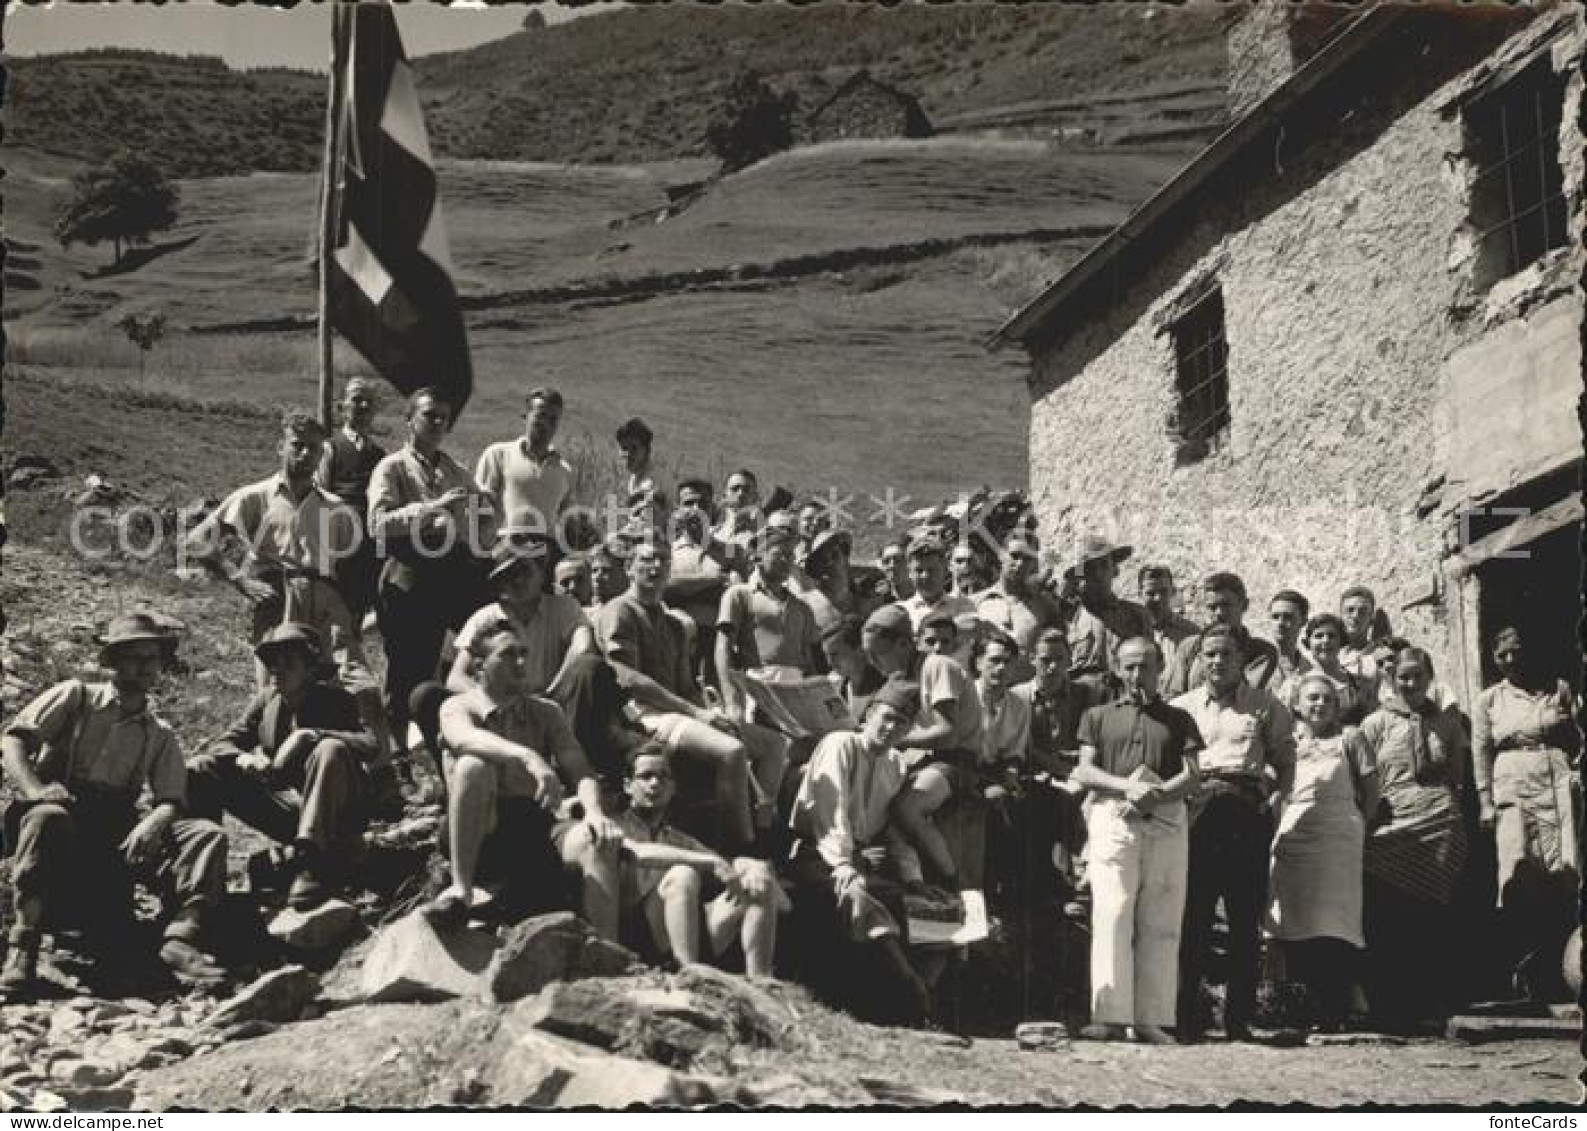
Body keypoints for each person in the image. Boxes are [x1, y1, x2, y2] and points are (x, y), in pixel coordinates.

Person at [0, 614, 228, 994]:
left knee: (203, 835)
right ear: (114, 661)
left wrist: (155, 820)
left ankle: (180, 939)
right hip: (62, 813)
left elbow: (171, 798)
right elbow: (13, 741)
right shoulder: (77, 696)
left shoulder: (160, 734)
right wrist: (35, 789)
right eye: (134, 658)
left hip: (114, 830)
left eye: (152, 658)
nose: (145, 668)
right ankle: (22, 950)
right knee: (47, 817)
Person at [183, 411, 396, 788]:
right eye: (297, 445)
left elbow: (358, 567)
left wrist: (351, 613)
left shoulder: (335, 508)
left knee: (359, 684)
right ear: (280, 446)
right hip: (278, 597)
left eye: (314, 449)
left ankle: (381, 778)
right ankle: (277, 778)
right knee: (277, 690)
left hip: (326, 598)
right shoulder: (254, 498)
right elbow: (198, 540)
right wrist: (238, 578)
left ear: (322, 456)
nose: (304, 454)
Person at [426, 622, 623, 932]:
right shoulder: (456, 706)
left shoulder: (547, 711)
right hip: (480, 826)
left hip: (531, 825)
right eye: (507, 655)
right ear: (480, 666)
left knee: (596, 841)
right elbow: (463, 739)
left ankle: (611, 954)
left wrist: (595, 814)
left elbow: (580, 769)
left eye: (523, 653)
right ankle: (461, 889)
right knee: (473, 766)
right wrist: (527, 756)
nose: (521, 662)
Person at [186, 623, 379, 910]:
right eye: (273, 663)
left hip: (337, 814)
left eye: (288, 663)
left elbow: (370, 745)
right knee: (203, 767)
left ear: (311, 670)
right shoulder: (267, 700)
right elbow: (222, 743)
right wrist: (244, 757)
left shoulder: (338, 700)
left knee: (330, 748)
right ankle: (204, 882)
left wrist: (313, 735)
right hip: (287, 809)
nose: (277, 670)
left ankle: (311, 862)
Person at [599, 540, 774, 852]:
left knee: (774, 744)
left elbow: (686, 685)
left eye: (664, 561)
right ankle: (744, 848)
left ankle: (766, 829)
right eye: (647, 560)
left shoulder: (673, 624)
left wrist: (711, 714)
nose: (656, 567)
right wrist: (696, 714)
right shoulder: (620, 610)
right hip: (642, 713)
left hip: (676, 713)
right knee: (732, 751)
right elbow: (628, 678)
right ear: (629, 568)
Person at [1073, 637, 1203, 1044]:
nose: (1137, 675)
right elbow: (1086, 771)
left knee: (1161, 918)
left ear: (1161, 666)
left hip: (1165, 817)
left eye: (1145, 666)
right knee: (1112, 912)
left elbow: (1193, 774)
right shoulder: (1097, 716)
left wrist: (1157, 794)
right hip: (1114, 816)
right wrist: (1126, 789)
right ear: (1116, 666)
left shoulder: (1180, 718)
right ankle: (1110, 1016)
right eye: (1129, 666)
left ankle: (1151, 1019)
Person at [1170, 625, 1296, 1042]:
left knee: (1245, 921)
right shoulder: (1182, 707)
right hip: (1199, 812)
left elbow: (1285, 762)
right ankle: (1188, 1015)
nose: (1217, 662)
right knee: (1194, 919)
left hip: (1245, 812)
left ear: (1242, 659)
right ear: (1199, 659)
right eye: (1210, 654)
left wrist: (1275, 801)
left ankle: (1238, 1020)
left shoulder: (1265, 707)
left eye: (1226, 654)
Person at [788, 679, 932, 1023]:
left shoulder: (895, 764)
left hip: (860, 856)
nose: (891, 727)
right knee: (857, 894)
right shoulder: (841, 744)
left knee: (923, 906)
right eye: (886, 717)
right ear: (868, 714)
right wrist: (844, 864)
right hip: (815, 854)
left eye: (902, 723)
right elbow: (830, 812)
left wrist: (914, 878)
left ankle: (908, 998)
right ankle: (913, 997)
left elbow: (892, 829)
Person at [367, 387, 495, 738]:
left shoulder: (455, 470)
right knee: (407, 666)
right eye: (428, 415)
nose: (437, 422)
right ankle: (396, 755)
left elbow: (482, 518)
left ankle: (453, 733)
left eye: (443, 417)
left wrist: (484, 514)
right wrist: (432, 509)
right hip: (410, 573)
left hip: (452, 573)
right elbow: (377, 524)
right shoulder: (392, 468)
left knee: (482, 643)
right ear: (409, 420)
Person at [1359, 647, 1470, 1026]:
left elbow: (1459, 775)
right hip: (1389, 829)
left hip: (1439, 824)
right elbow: (1363, 778)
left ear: (1429, 679)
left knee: (1430, 917)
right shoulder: (1374, 725)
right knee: (1388, 915)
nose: (1409, 684)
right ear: (1392, 680)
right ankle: (1390, 1005)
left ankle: (1428, 1005)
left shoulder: (1448, 724)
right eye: (1403, 677)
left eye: (1417, 677)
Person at [1471, 626, 1581, 1001]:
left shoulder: (1559, 689)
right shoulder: (1489, 700)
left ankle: (1559, 970)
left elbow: (1581, 734)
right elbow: (1481, 752)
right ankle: (1523, 971)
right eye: (1503, 655)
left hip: (1557, 786)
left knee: (1562, 873)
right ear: (1494, 658)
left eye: (1518, 651)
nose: (1512, 660)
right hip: (1512, 787)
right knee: (1517, 873)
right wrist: (1485, 801)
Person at [1266, 673, 1378, 1033]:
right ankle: (1301, 1007)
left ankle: (1337, 1006)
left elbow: (1371, 789)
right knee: (1293, 919)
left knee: (1336, 920)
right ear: (1296, 704)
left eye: (1327, 699)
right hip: (1294, 833)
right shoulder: (1287, 742)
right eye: (1312, 698)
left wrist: (1359, 821)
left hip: (1338, 836)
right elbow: (1275, 786)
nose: (1319, 705)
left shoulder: (1350, 738)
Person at [615, 744, 783, 977]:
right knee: (682, 874)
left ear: (673, 788)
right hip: (633, 936)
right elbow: (639, 853)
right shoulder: (613, 825)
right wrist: (709, 863)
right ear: (627, 785)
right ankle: (690, 976)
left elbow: (724, 863)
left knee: (758, 883)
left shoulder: (676, 838)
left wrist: (752, 867)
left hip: (684, 934)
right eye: (646, 776)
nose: (655, 784)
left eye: (664, 777)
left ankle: (761, 982)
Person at [861, 605, 985, 891]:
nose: (873, 662)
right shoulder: (901, 676)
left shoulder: (937, 666)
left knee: (908, 808)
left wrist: (899, 739)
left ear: (904, 645)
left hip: (958, 762)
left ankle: (955, 880)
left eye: (878, 654)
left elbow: (948, 734)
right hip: (926, 759)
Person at [1012, 628, 1098, 902]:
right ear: (1032, 659)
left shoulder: (1084, 694)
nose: (1052, 667)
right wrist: (1064, 772)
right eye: (1045, 659)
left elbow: (1092, 738)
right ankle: (1063, 881)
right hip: (1035, 770)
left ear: (1069, 659)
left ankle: (1081, 876)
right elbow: (1024, 746)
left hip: (1077, 768)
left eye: (1059, 659)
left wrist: (1079, 768)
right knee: (1055, 801)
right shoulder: (1018, 697)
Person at [715, 522, 826, 719]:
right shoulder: (739, 595)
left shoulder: (802, 608)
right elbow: (723, 648)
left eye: (790, 555)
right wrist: (731, 698)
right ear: (758, 557)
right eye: (778, 554)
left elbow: (809, 662)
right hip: (759, 686)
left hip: (795, 690)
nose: (786, 560)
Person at [316, 377, 388, 627]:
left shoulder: (380, 456)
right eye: (357, 399)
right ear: (341, 407)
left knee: (359, 606)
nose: (364, 406)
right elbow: (320, 495)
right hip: (339, 539)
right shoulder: (330, 449)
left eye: (370, 401)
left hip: (369, 544)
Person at [473, 387, 579, 540]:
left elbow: (567, 521)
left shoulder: (564, 470)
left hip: (546, 549)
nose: (546, 424)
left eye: (553, 419)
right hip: (505, 545)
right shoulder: (498, 455)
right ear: (526, 416)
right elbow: (478, 506)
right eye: (540, 415)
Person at [1167, 572, 1281, 697]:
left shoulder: (1262, 652)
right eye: (1212, 607)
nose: (1219, 613)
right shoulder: (1189, 647)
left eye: (1226, 605)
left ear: (1244, 605)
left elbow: (1246, 694)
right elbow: (1174, 694)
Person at [1065, 536, 1153, 695]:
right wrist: (1076, 574)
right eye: (1090, 568)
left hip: (1125, 700)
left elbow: (1149, 666)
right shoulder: (1070, 616)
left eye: (1104, 565)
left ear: (1115, 570)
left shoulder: (1136, 615)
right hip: (1083, 703)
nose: (1098, 574)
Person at [976, 534, 1062, 685]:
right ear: (1001, 555)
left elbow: (1058, 652)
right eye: (1014, 556)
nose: (1020, 563)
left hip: (1028, 696)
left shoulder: (1044, 605)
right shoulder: (977, 603)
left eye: (1027, 558)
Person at [898, 535, 977, 669]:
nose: (925, 576)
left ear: (945, 569)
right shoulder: (901, 612)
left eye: (932, 570)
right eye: (919, 570)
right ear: (909, 572)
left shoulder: (965, 607)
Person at [1283, 614, 1376, 726]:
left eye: (1332, 636)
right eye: (1318, 636)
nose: (1326, 641)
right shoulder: (1294, 684)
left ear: (1341, 641)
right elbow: (1283, 726)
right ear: (1308, 641)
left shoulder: (1358, 685)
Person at [1137, 565, 1201, 698]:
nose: (1157, 598)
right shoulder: (1131, 631)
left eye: (1163, 592)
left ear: (1173, 592)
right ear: (1140, 594)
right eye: (1150, 593)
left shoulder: (1191, 633)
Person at [617, 417, 671, 533]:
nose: (628, 454)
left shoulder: (651, 482)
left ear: (647, 450)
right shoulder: (636, 476)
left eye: (634, 448)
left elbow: (646, 525)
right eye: (624, 448)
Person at [1338, 586, 1382, 688]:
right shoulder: (1331, 654)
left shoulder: (1380, 657)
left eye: (1362, 612)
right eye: (1350, 610)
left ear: (1371, 618)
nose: (1355, 616)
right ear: (1341, 615)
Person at [1268, 589, 1313, 689]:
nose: (1280, 623)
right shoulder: (1255, 664)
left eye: (1288, 617)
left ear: (1303, 621)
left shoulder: (1311, 670)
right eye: (1275, 617)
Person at [877, 535, 914, 603]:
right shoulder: (878, 600)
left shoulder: (924, 595)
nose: (892, 566)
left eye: (898, 560)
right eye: (886, 561)